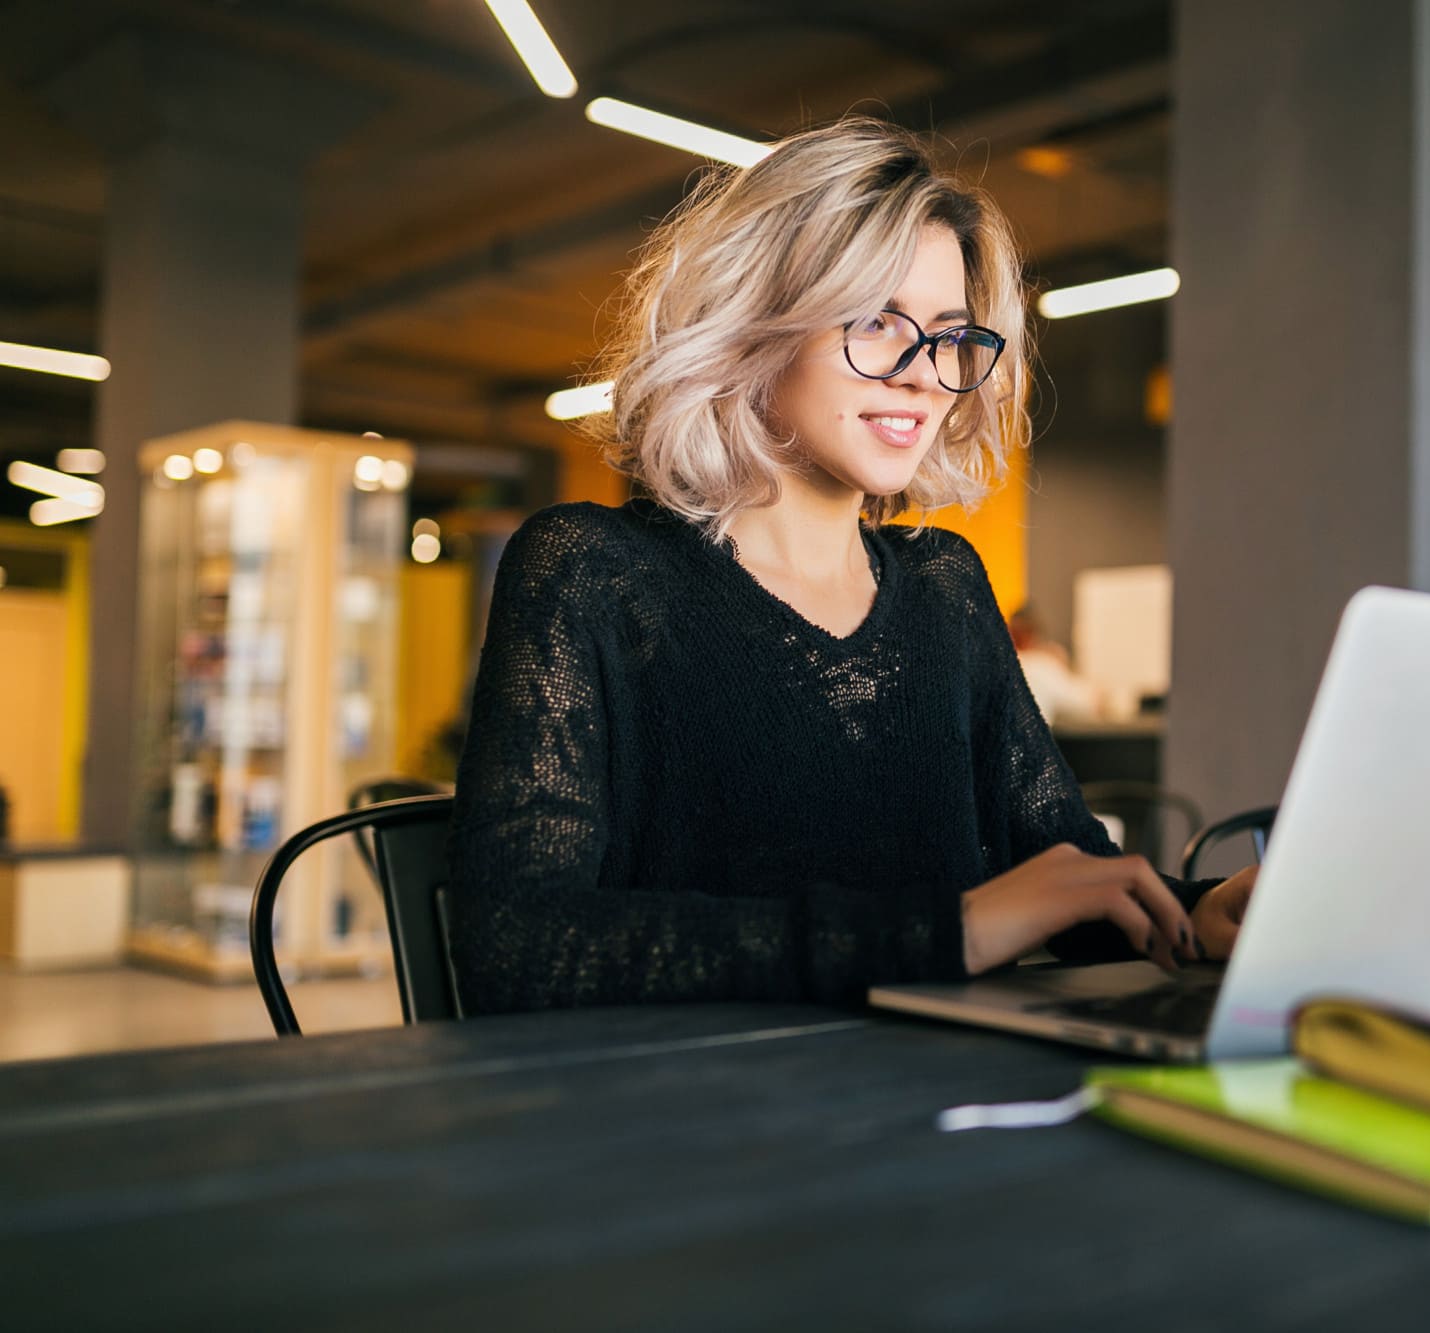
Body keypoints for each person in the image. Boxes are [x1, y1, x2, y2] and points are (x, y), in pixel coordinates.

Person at [445, 118, 1255, 1015]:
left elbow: (1063, 876)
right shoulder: (594, 572)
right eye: (875, 321)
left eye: (951, 337)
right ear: (756, 326)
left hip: (954, 1103)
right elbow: (517, 946)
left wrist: (1199, 910)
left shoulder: (947, 585)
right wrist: (948, 933)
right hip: (698, 1121)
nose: (923, 374)